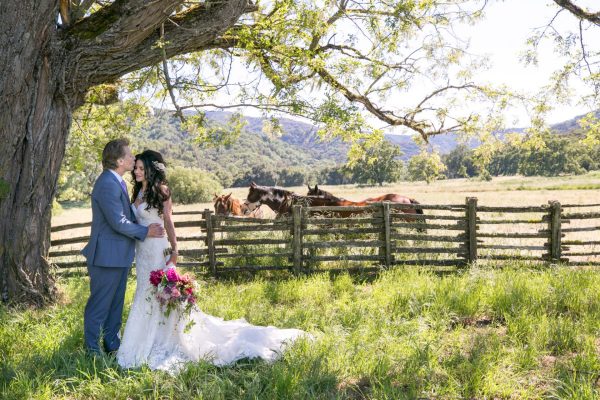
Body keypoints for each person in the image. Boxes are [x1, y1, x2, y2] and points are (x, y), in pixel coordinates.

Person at [117, 150, 309, 373]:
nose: (137, 171)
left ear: (151, 169)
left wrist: (175, 251)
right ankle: (143, 335)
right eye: (136, 168)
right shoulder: (138, 191)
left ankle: (165, 337)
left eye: (141, 168)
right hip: (142, 252)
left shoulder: (162, 191)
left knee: (159, 293)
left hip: (158, 249)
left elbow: (169, 222)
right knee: (144, 291)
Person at [81, 139, 165, 357]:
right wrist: (146, 232)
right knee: (99, 305)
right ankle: (92, 350)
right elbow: (118, 222)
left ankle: (112, 344)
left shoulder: (117, 181)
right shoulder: (107, 183)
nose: (133, 158)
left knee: (115, 304)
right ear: (119, 161)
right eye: (129, 155)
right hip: (106, 256)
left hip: (117, 256)